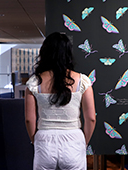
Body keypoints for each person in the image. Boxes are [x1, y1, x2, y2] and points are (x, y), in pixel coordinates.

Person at [25, 32, 96, 170]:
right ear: (68, 53)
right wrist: (83, 142)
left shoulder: (34, 82)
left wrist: (36, 140)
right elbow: (91, 118)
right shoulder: (83, 81)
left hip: (44, 139)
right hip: (73, 138)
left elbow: (29, 119)